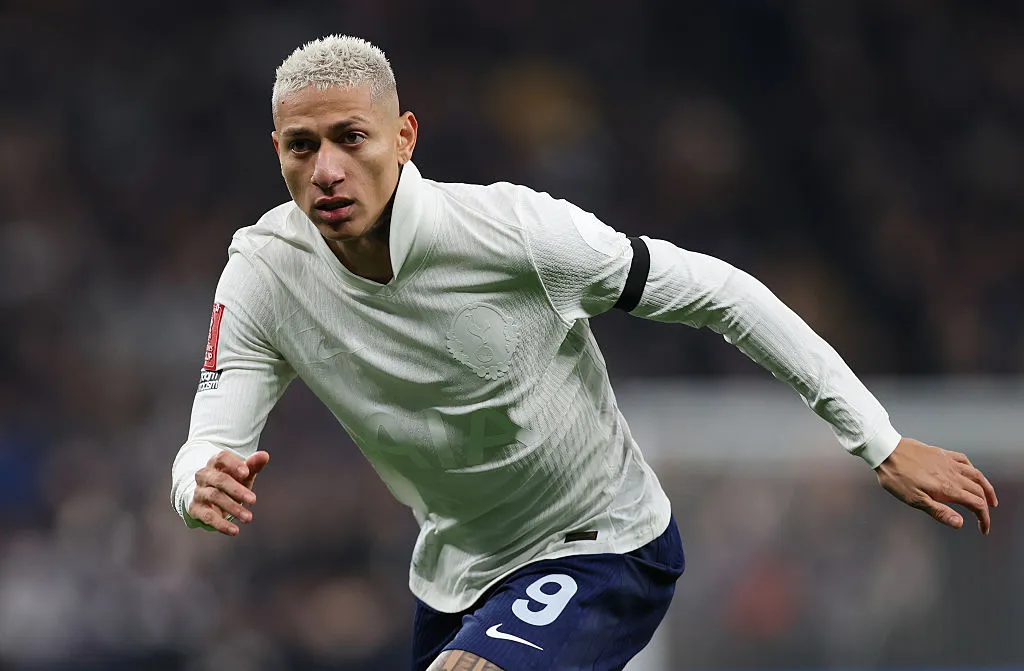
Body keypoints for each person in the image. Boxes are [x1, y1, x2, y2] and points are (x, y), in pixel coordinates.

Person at [170, 35, 998, 671]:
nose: (326, 169)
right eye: (302, 146)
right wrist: (196, 484)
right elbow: (209, 440)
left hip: (604, 542)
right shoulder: (264, 274)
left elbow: (720, 291)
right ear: (276, 151)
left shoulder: (515, 233)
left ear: (405, 136)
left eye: (351, 137)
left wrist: (878, 440)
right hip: (456, 574)